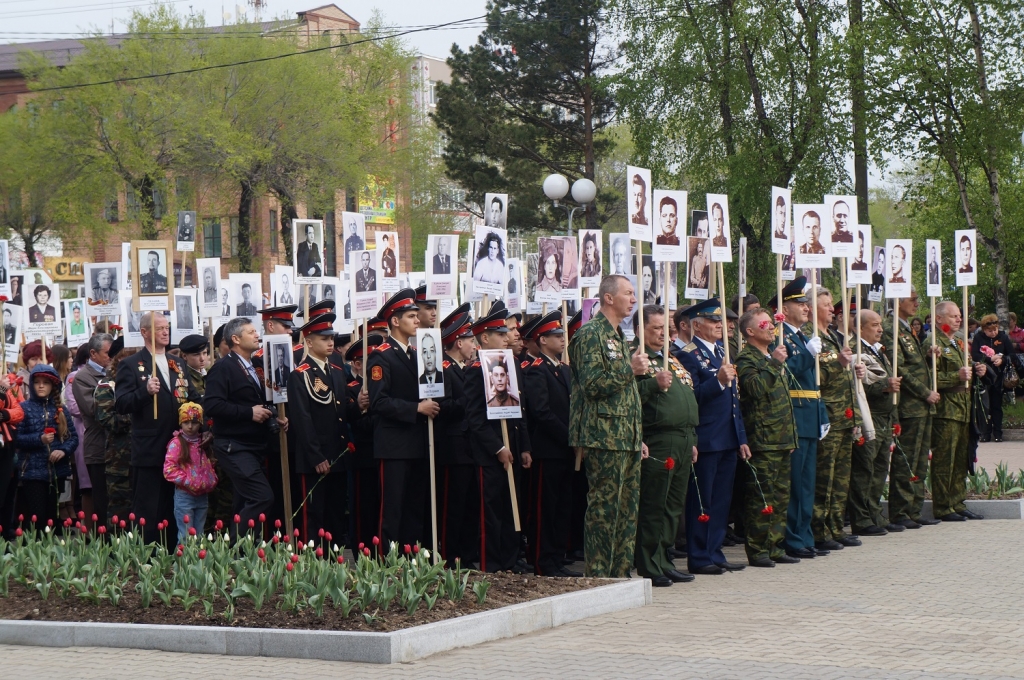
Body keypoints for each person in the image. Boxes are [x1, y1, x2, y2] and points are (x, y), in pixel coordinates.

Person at [568, 274, 647, 577]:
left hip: (625, 436)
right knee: (605, 508)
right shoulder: (591, 335)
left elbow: (626, 396)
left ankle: (621, 572)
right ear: (609, 298)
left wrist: (637, 435)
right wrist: (629, 368)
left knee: (627, 511)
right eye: (628, 293)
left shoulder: (617, 337)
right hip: (603, 436)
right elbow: (593, 385)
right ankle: (599, 574)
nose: (634, 299)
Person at [677, 299, 750, 575]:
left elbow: (734, 402)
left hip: (727, 437)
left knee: (721, 500)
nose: (720, 325)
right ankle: (698, 555)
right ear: (696, 324)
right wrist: (717, 380)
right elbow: (691, 397)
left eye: (720, 321)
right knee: (702, 500)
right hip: (706, 437)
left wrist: (741, 437)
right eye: (713, 321)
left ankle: (715, 550)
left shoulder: (723, 351)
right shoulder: (687, 354)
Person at [115, 313, 199, 544]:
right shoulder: (131, 365)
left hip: (179, 446)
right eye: (159, 328)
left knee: (176, 503)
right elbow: (121, 404)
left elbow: (190, 397)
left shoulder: (178, 362)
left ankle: (173, 550)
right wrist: (144, 392)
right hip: (151, 447)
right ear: (144, 332)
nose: (165, 331)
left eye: (167, 327)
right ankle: (147, 554)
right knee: (149, 506)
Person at [632, 305, 699, 585]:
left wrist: (692, 440)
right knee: (655, 505)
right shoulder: (637, 359)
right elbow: (628, 398)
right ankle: (649, 563)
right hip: (658, 439)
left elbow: (685, 398)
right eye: (656, 328)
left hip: (683, 439)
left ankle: (664, 558)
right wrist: (651, 384)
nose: (663, 333)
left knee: (673, 506)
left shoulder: (670, 358)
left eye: (665, 328)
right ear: (640, 330)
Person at [367, 289, 438, 548]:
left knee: (414, 509)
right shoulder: (381, 356)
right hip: (394, 444)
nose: (417, 319)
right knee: (392, 510)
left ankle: (411, 562)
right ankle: (387, 563)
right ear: (395, 321)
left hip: (417, 442)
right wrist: (416, 409)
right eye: (411, 316)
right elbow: (379, 402)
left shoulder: (416, 354)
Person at [204, 317, 288, 536]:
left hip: (254, 445)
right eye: (251, 332)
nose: (257, 335)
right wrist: (249, 413)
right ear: (236, 339)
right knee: (262, 496)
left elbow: (258, 400)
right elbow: (213, 405)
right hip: (234, 445)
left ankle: (242, 556)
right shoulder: (223, 367)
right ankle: (237, 547)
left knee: (243, 502)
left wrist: (273, 415)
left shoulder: (255, 365)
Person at [464, 304, 530, 572]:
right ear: (484, 338)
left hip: (513, 447)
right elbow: (475, 418)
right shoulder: (476, 369)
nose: (507, 337)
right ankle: (491, 563)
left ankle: (510, 559)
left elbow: (518, 409)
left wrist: (523, 446)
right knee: (491, 511)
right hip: (490, 453)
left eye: (507, 333)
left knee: (511, 506)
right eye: (500, 334)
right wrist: (498, 448)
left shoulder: (510, 365)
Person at [735, 308, 799, 567]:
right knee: (761, 497)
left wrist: (791, 436)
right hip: (763, 439)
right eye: (765, 324)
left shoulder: (771, 356)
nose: (772, 328)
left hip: (781, 437)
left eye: (772, 324)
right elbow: (754, 389)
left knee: (780, 496)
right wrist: (774, 363)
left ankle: (774, 546)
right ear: (750, 331)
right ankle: (758, 549)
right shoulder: (746, 359)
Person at [521, 310, 580, 577]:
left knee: (562, 507)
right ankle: (542, 560)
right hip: (548, 449)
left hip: (566, 450)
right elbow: (541, 412)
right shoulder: (536, 371)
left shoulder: (563, 369)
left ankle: (556, 557)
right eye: (556, 336)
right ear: (542, 340)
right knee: (545, 508)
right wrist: (570, 436)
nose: (562, 339)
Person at [773, 277, 828, 559]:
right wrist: (806, 355)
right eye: (800, 303)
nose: (807, 307)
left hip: (809, 415)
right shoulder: (779, 335)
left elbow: (813, 385)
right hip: (793, 416)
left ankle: (804, 535)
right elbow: (786, 372)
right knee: (794, 482)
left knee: (807, 482)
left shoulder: (803, 337)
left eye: (807, 303)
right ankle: (792, 538)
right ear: (785, 307)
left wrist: (823, 414)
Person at [288, 309, 353, 543]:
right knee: (313, 516)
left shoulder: (335, 372)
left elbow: (340, 411)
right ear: (309, 341)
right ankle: (310, 567)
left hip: (337, 454)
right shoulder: (300, 375)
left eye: (331, 338)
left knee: (335, 515)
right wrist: (316, 456)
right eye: (324, 338)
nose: (330, 342)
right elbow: (302, 419)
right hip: (315, 458)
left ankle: (333, 566)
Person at [809, 289, 864, 552]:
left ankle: (834, 526)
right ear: (811, 308)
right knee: (824, 477)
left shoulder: (834, 336)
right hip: (826, 417)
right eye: (827, 305)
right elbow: (816, 379)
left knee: (841, 479)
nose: (833, 309)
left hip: (844, 416)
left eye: (832, 305)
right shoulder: (812, 338)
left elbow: (846, 382)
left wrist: (854, 369)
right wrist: (838, 365)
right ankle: (819, 530)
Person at [884, 289, 942, 529]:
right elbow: (899, 368)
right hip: (909, 405)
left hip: (921, 407)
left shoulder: (908, 328)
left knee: (920, 460)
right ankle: (900, 511)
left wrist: (929, 356)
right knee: (905, 460)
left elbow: (915, 365)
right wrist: (924, 392)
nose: (917, 304)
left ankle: (914, 509)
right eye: (913, 299)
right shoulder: (891, 328)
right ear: (898, 300)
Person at [848, 309, 902, 536]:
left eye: (880, 324)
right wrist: (885, 387)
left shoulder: (877, 350)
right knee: (864, 469)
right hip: (869, 416)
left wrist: (895, 417)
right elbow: (859, 387)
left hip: (884, 417)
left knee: (879, 468)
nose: (880, 329)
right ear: (860, 328)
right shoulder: (855, 351)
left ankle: (875, 514)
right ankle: (861, 519)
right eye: (874, 325)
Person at [931, 302, 984, 522]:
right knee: (945, 460)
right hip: (946, 409)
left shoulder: (959, 341)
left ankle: (957, 502)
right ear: (939, 319)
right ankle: (943, 506)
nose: (958, 320)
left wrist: (979, 369)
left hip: (963, 408)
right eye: (953, 316)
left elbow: (967, 371)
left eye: (959, 316)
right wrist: (957, 377)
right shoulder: (933, 343)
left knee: (961, 459)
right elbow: (930, 379)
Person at [433, 304, 478, 566]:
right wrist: (469, 402)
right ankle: (451, 555)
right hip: (453, 448)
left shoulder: (466, 368)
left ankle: (468, 554)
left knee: (470, 506)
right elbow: (443, 406)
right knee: (454, 506)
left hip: (470, 446)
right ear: (458, 342)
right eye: (470, 340)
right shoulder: (444, 369)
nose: (473, 345)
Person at [15, 365, 78, 531]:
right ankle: (35, 550)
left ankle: (50, 553)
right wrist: (39, 439)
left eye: (45, 383)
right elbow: (17, 439)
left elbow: (72, 438)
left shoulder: (61, 409)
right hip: (32, 471)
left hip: (57, 471)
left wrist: (63, 450)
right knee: (37, 516)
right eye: (37, 382)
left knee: (52, 515)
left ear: (53, 386)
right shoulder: (24, 408)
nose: (41, 386)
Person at [72, 333, 114, 527]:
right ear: (93, 353)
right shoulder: (83, 378)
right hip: (98, 447)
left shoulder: (114, 372)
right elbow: (94, 409)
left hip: (117, 447)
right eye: (107, 353)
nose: (111, 357)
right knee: (102, 501)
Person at [163, 402, 217, 544]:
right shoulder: (177, 443)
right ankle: (183, 565)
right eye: (186, 422)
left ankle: (196, 565)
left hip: (202, 495)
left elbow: (209, 463)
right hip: (184, 495)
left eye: (194, 422)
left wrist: (210, 479)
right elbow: (169, 470)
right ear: (180, 423)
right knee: (185, 536)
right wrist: (189, 481)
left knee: (199, 535)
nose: (190, 426)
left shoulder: (203, 442)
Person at [972, 314, 1014, 442]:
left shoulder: (1003, 337)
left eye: (995, 330)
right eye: (990, 331)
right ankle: (985, 433)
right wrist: (990, 359)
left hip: (999, 376)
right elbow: (975, 354)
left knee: (996, 405)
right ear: (984, 329)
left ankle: (998, 433)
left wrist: (1002, 360)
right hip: (984, 376)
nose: (993, 333)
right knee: (985, 406)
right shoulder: (978, 337)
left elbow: (1011, 354)